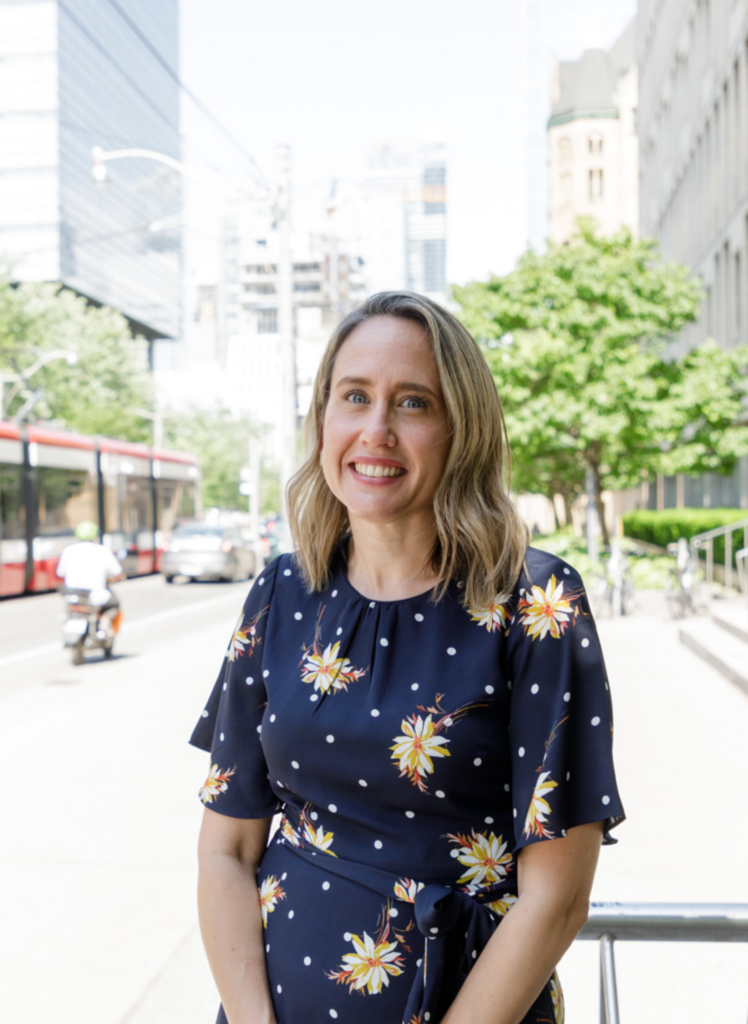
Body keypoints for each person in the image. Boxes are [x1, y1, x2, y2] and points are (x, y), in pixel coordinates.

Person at [191, 292, 624, 1024]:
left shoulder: (537, 602)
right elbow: (226, 849)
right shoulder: (281, 591)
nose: (375, 431)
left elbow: (557, 898)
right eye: (353, 396)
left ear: (462, 428)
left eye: (413, 403)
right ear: (323, 418)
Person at [56, 521, 125, 623]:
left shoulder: (68, 551)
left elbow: (60, 573)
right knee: (115, 605)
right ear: (95, 536)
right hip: (96, 597)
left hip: (74, 597)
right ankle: (104, 621)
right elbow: (117, 571)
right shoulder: (102, 550)